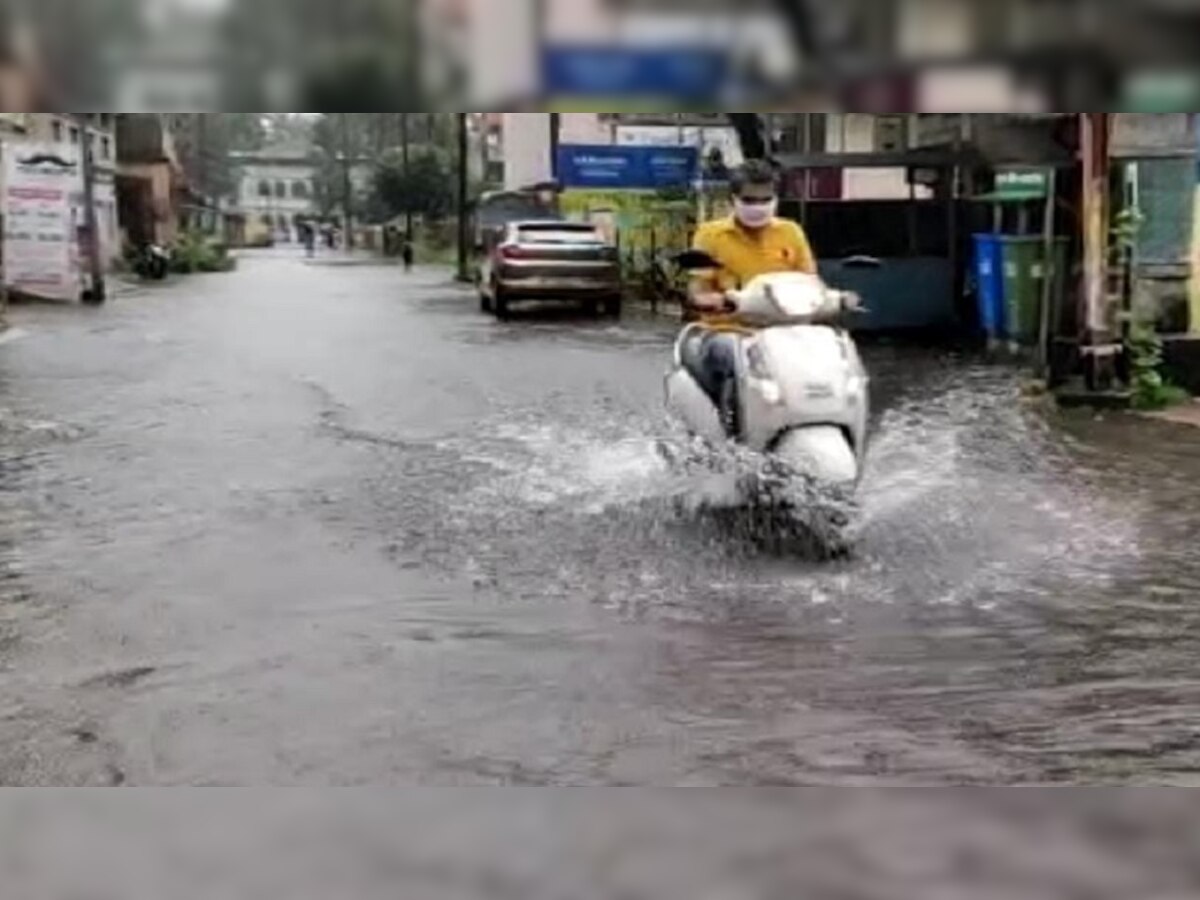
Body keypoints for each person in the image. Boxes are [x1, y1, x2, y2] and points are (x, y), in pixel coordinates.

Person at [686, 160, 818, 438]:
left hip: (784, 332)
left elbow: (810, 281)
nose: (758, 205)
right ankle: (733, 438)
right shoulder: (710, 235)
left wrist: (829, 299)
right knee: (734, 358)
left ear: (776, 198)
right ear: (733, 199)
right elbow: (697, 289)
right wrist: (713, 301)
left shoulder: (790, 232)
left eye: (765, 199)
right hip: (728, 332)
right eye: (749, 199)